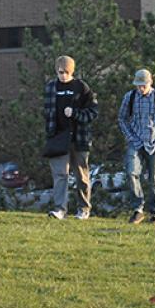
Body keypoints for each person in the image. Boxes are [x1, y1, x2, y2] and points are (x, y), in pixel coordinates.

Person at [43, 55, 98, 220]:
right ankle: (60, 209)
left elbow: (93, 112)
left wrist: (75, 114)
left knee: (81, 176)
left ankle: (84, 208)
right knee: (60, 175)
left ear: (72, 71)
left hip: (79, 139)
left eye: (67, 72)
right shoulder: (51, 87)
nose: (63, 75)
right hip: (58, 138)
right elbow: (46, 113)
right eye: (61, 72)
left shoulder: (81, 87)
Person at [117, 68, 155, 225]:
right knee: (131, 172)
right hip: (135, 141)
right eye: (138, 85)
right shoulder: (130, 97)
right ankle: (138, 209)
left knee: (154, 179)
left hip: (154, 142)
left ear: (150, 82)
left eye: (143, 85)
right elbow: (122, 118)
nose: (141, 88)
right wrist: (130, 137)